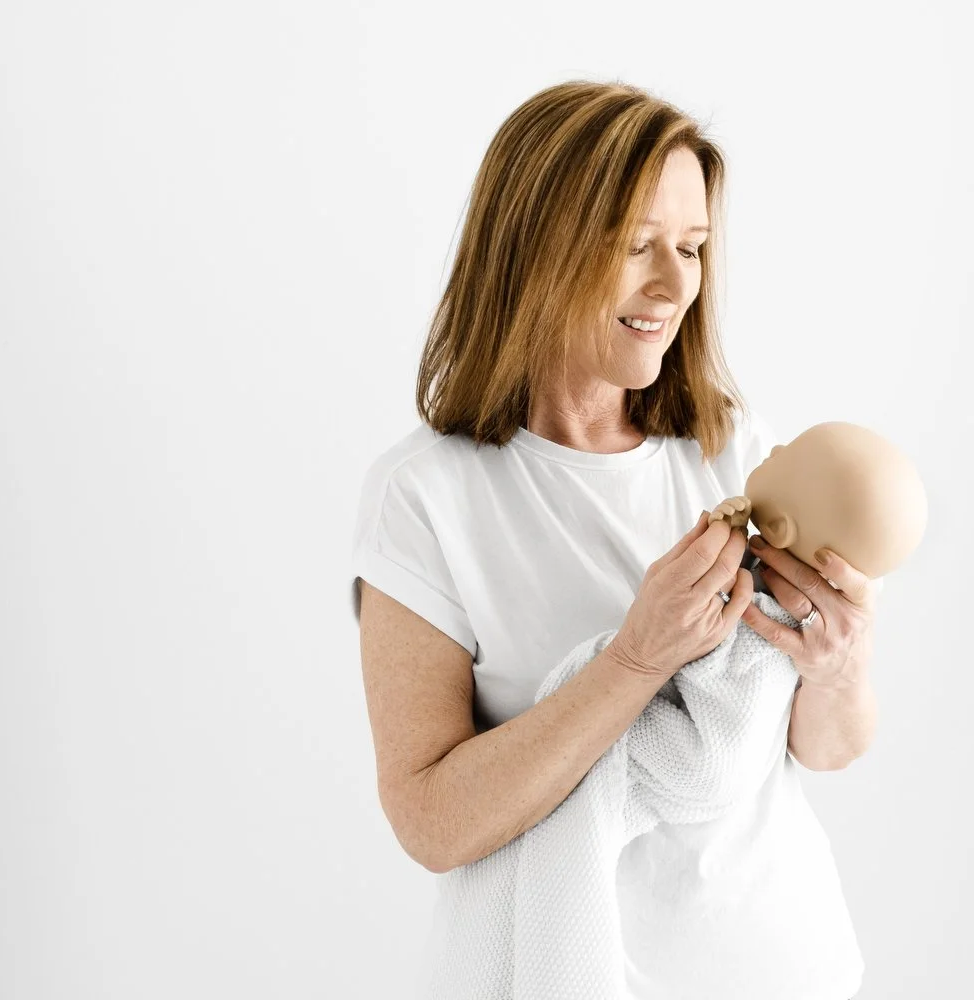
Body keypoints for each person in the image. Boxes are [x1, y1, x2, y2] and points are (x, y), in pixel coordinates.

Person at [350, 79, 876, 1000]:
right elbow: (431, 822)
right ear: (535, 247)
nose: (674, 286)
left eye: (693, 247)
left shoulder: (736, 455)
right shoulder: (427, 497)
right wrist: (634, 661)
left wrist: (836, 665)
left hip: (786, 966)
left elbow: (823, 749)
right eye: (637, 246)